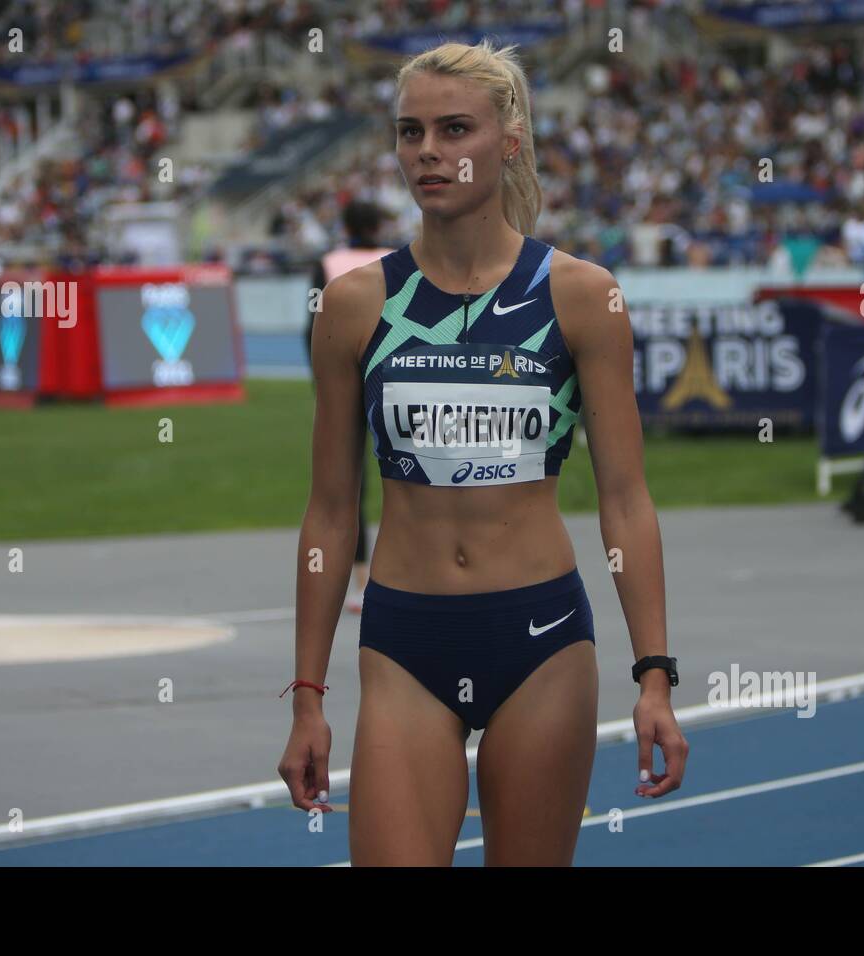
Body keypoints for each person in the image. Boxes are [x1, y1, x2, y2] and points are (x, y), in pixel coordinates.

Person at [278, 39, 687, 866]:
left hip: (540, 638)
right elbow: (328, 511)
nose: (428, 151)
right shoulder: (356, 304)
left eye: (454, 129)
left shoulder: (580, 295)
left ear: (509, 142)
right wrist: (308, 697)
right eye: (410, 131)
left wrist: (654, 674)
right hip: (403, 643)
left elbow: (625, 500)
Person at [304, 201, 395, 612]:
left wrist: (323, 385)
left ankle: (359, 580)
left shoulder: (329, 262)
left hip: (348, 380)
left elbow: (314, 325)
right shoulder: (398, 261)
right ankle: (405, 571)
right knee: (411, 479)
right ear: (377, 224)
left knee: (346, 488)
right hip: (396, 378)